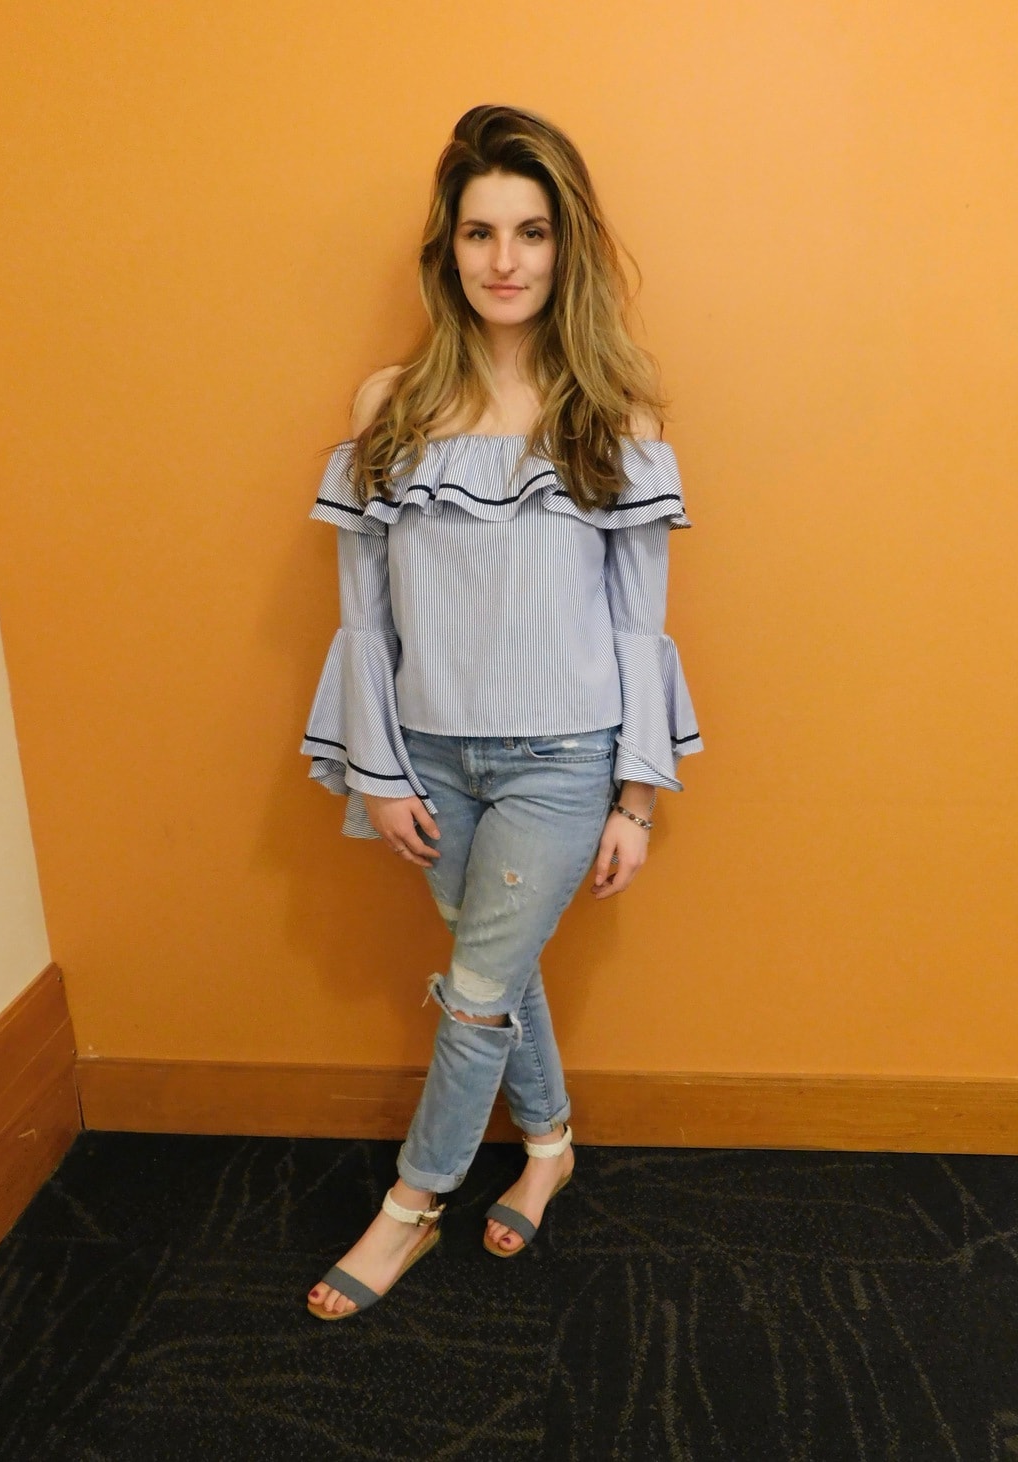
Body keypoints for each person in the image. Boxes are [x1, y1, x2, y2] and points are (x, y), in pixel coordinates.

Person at [301, 104, 702, 1320]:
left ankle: (410, 1207)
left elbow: (640, 625)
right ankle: (550, 1145)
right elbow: (363, 613)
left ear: (564, 246)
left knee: (474, 990)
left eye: (531, 231)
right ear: (449, 248)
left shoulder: (615, 417)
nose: (506, 259)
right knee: (498, 972)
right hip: (429, 752)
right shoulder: (389, 404)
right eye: (480, 232)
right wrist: (378, 766)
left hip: (560, 756)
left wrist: (635, 794)